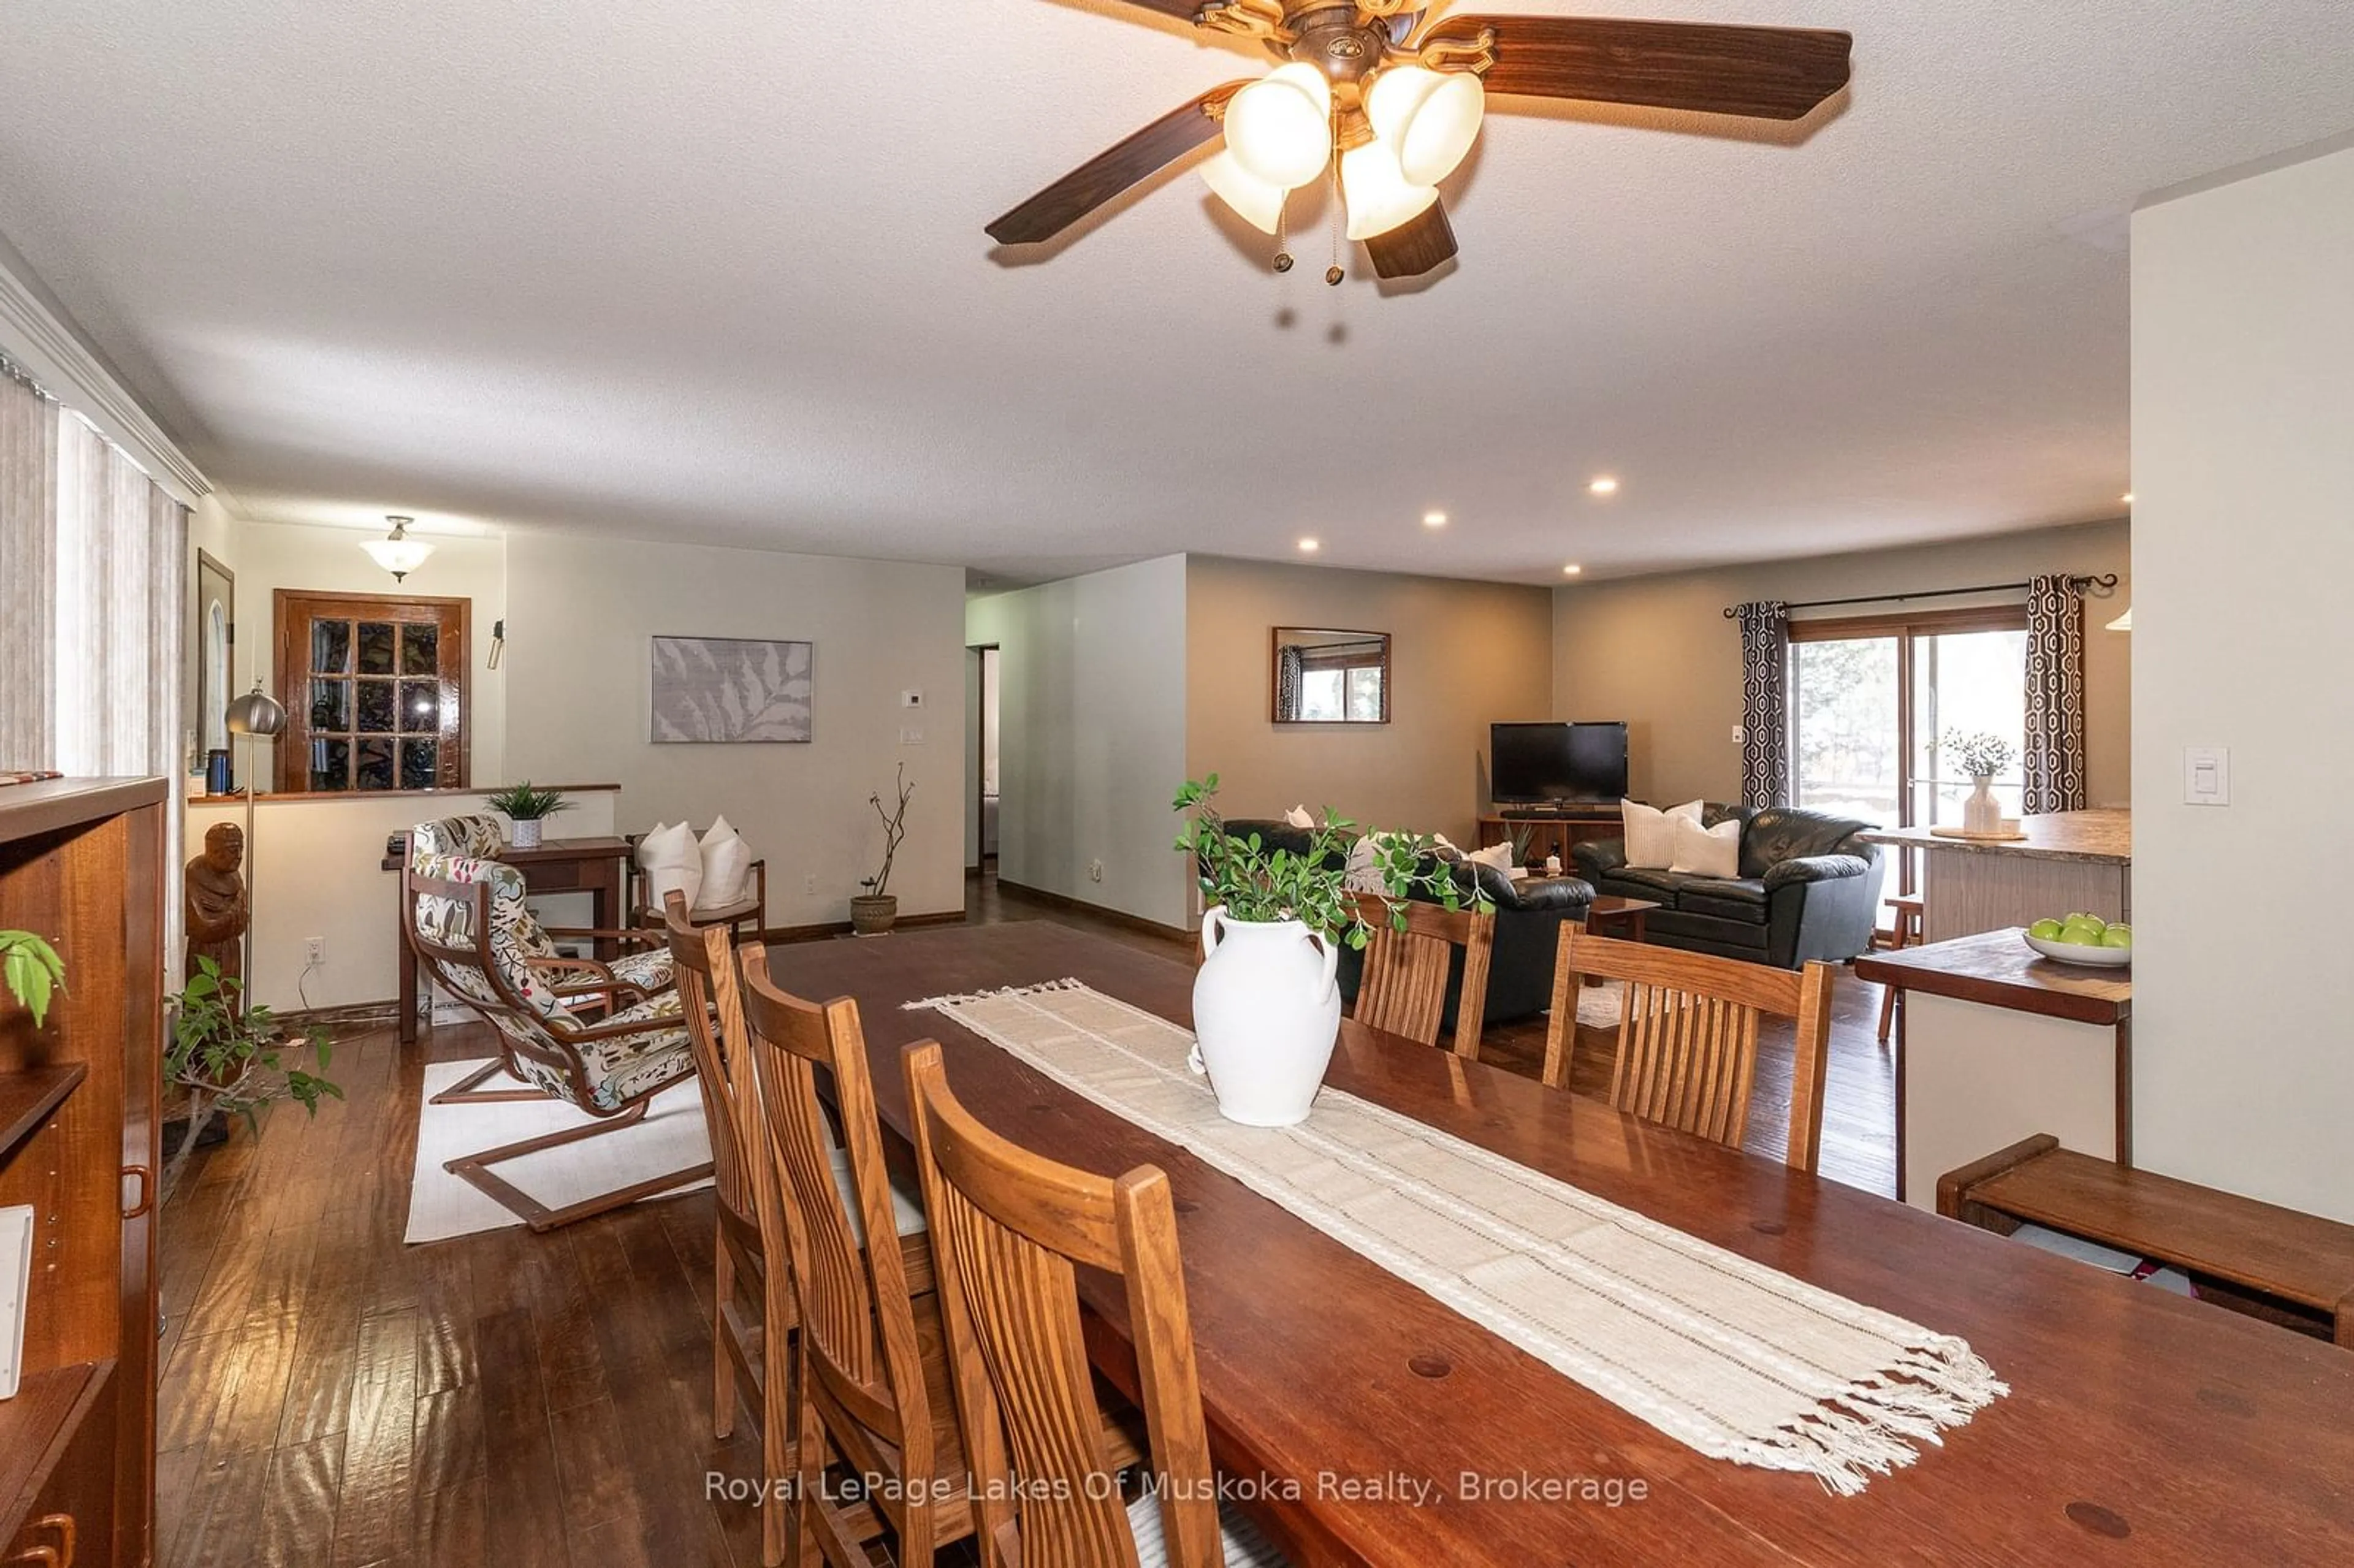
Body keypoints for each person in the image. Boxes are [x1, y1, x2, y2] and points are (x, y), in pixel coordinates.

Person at [185, 821, 249, 1005]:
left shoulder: (234, 876)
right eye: (231, 850)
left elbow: (243, 921)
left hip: (230, 950)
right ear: (213, 850)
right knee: (206, 1003)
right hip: (205, 951)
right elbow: (201, 927)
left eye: (241, 849)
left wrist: (226, 917)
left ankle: (230, 1032)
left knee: (230, 1002)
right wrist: (232, 915)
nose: (238, 856)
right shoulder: (194, 874)